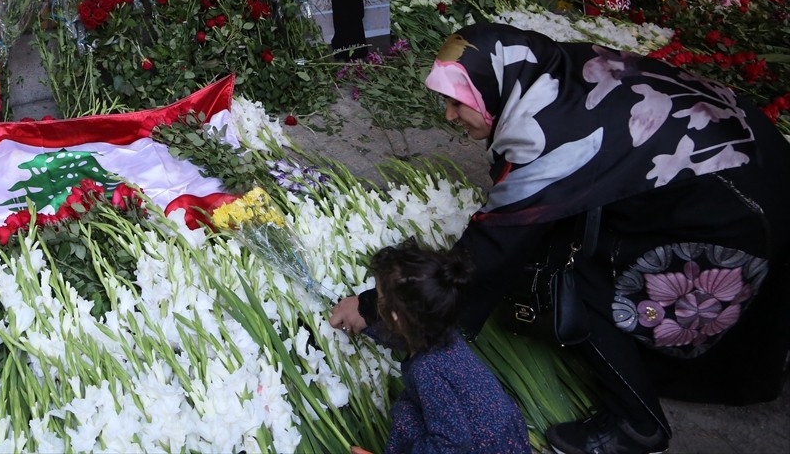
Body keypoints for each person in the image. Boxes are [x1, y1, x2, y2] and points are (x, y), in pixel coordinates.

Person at [330, 22, 790, 454]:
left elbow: (487, 253)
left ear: (495, 89)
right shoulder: (544, 72)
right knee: (557, 245)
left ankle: (638, 423)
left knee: (576, 282)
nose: (449, 115)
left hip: (736, 207)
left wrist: (377, 308)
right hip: (750, 161)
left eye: (457, 102)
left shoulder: (545, 134)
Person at [357, 241, 530, 454]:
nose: (376, 299)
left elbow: (453, 442)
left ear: (395, 317)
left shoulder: (426, 370)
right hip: (504, 434)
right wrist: (366, 323)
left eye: (379, 296)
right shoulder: (443, 333)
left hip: (483, 447)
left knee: (406, 417)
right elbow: (401, 336)